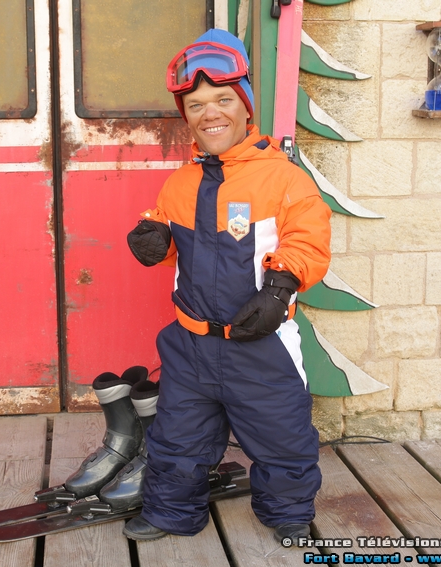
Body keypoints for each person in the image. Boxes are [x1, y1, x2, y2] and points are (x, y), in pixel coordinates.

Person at [123, 28, 332, 544]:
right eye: (195, 105)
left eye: (223, 100)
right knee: (178, 438)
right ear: (186, 115)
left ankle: (287, 514)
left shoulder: (283, 179)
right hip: (191, 345)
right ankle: (171, 512)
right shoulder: (181, 182)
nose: (209, 113)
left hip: (260, 346)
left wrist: (279, 289)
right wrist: (153, 238)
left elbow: (308, 241)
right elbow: (165, 232)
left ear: (245, 106)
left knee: (282, 436)